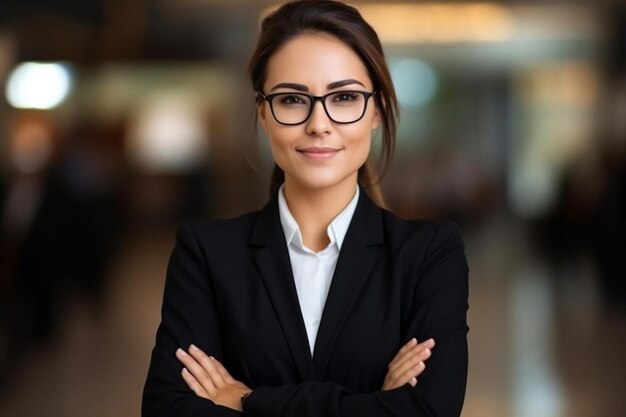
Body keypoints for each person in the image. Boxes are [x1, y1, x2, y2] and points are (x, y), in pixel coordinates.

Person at [142, 1, 469, 416]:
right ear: (263, 113)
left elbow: (430, 410)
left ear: (377, 112)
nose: (319, 123)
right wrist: (378, 404)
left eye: (345, 96)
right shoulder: (206, 253)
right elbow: (167, 410)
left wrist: (247, 401)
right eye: (293, 100)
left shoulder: (428, 254)